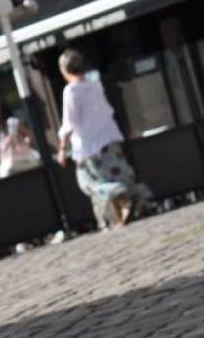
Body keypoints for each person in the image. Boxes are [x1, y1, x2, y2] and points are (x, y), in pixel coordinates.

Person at [56, 49, 153, 229]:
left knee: (88, 183)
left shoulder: (71, 91)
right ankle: (126, 209)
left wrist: (62, 148)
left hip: (89, 146)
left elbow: (70, 122)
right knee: (117, 174)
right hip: (109, 137)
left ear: (64, 69)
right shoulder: (95, 85)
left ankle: (122, 195)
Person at [0, 104, 39, 179]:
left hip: (7, 165)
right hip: (26, 160)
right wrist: (25, 142)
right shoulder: (14, 122)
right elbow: (31, 136)